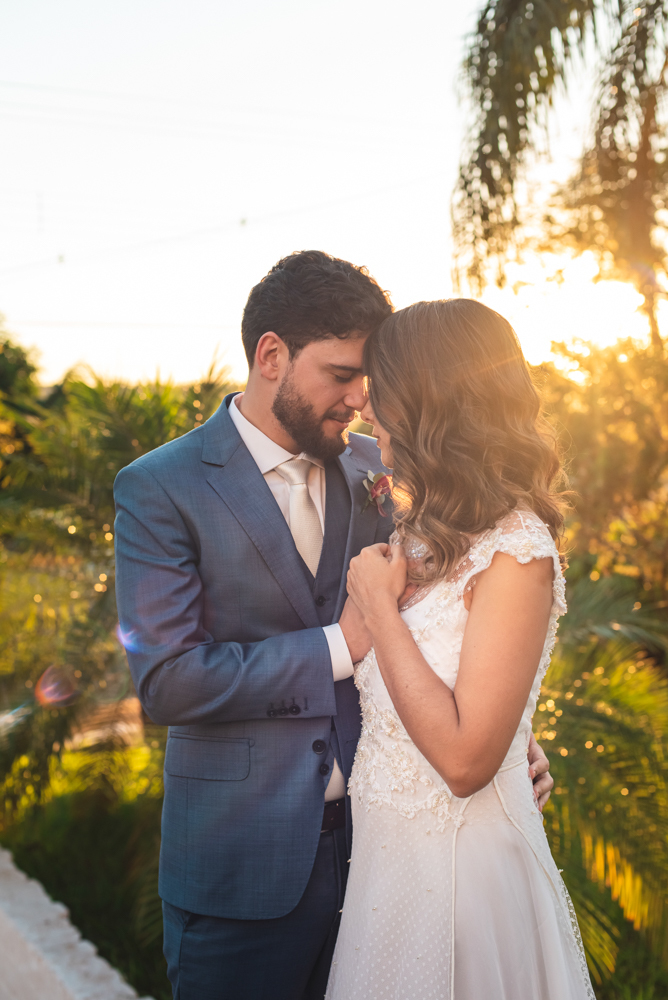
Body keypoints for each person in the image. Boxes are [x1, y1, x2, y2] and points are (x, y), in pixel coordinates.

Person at [113, 254, 553, 1000]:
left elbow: (461, 614)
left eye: (369, 380)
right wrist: (339, 646)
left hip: (389, 859)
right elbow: (167, 681)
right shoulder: (161, 486)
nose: (359, 400)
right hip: (242, 874)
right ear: (272, 356)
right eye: (343, 374)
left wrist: (509, 735)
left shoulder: (386, 469)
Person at [326, 298, 594, 1000]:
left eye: (379, 389)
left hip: (464, 880)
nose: (364, 407)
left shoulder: (518, 549)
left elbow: (467, 760)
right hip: (386, 877)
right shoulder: (419, 535)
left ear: (427, 401)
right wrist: (520, 738)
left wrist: (381, 611)